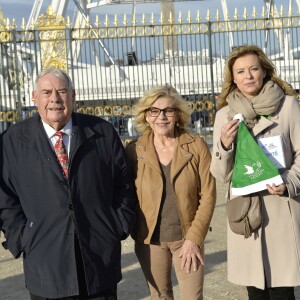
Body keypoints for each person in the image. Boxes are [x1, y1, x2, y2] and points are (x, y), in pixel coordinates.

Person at [0, 68, 136, 300]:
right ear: (34, 98)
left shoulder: (102, 132)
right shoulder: (12, 141)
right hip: (45, 261)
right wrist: (21, 237)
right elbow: (5, 197)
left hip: (98, 257)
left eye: (62, 91)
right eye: (46, 92)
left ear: (73, 97)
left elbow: (123, 184)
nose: (55, 98)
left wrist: (117, 226)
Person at [210, 45, 300, 300]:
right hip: (245, 213)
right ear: (233, 78)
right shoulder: (223, 115)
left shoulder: (288, 107)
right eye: (240, 71)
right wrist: (224, 146)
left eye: (253, 69)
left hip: (281, 208)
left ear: (264, 71)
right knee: (255, 291)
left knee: (283, 290)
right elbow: (219, 174)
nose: (248, 75)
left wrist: (288, 182)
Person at [125, 85, 216, 300]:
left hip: (187, 238)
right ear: (146, 116)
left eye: (168, 110)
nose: (162, 117)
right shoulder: (134, 150)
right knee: (160, 297)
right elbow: (124, 193)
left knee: (193, 297)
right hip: (150, 241)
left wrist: (194, 239)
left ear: (178, 114)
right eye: (154, 111)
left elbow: (209, 196)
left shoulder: (196, 146)